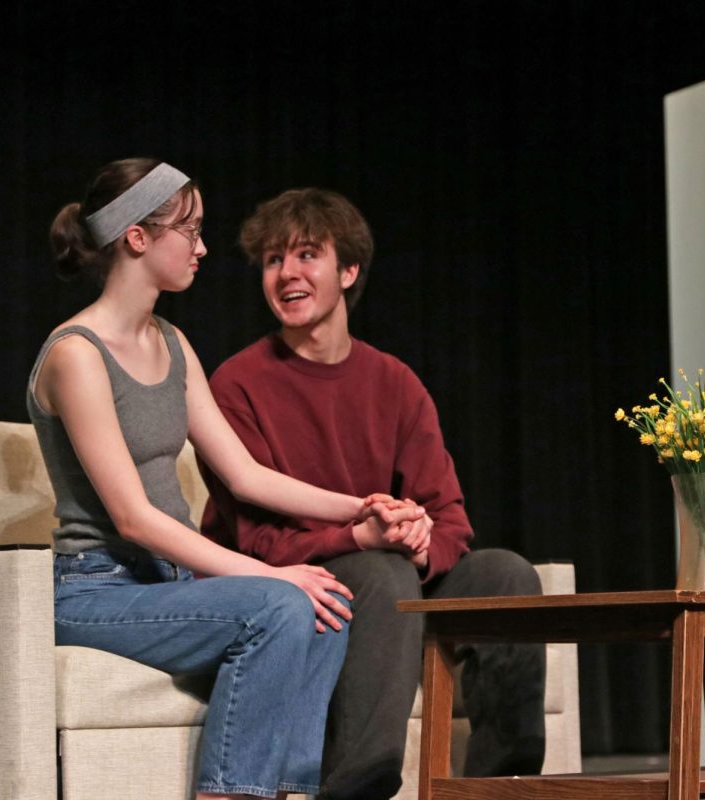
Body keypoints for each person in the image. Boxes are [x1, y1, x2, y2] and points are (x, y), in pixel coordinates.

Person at [30, 159, 422, 800]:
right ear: (137, 237)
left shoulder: (173, 343)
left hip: (169, 586)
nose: (203, 248)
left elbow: (246, 475)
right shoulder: (77, 354)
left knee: (326, 606)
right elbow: (134, 519)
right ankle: (230, 791)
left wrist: (363, 506)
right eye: (190, 230)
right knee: (280, 602)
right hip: (95, 590)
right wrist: (269, 574)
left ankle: (290, 792)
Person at [198, 188, 547, 800]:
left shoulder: (394, 382)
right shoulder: (237, 384)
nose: (287, 274)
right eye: (274, 260)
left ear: (349, 270)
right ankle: (356, 786)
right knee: (382, 574)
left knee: (507, 575)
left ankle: (502, 786)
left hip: (386, 566)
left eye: (307, 255)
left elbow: (451, 523)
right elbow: (257, 541)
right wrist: (363, 538)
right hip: (279, 579)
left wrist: (417, 545)